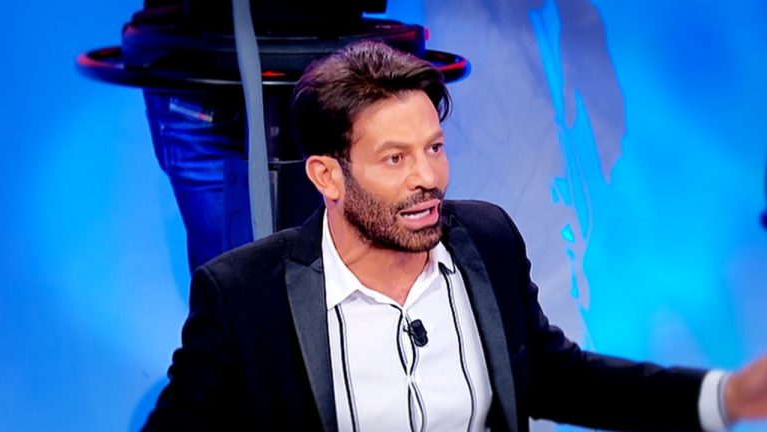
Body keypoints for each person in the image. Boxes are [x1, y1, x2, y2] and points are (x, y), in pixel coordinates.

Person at [143, 41, 767, 431]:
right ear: (327, 176)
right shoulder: (244, 294)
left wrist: (725, 396)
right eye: (395, 158)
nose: (429, 178)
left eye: (435, 148)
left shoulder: (486, 240)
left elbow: (559, 379)